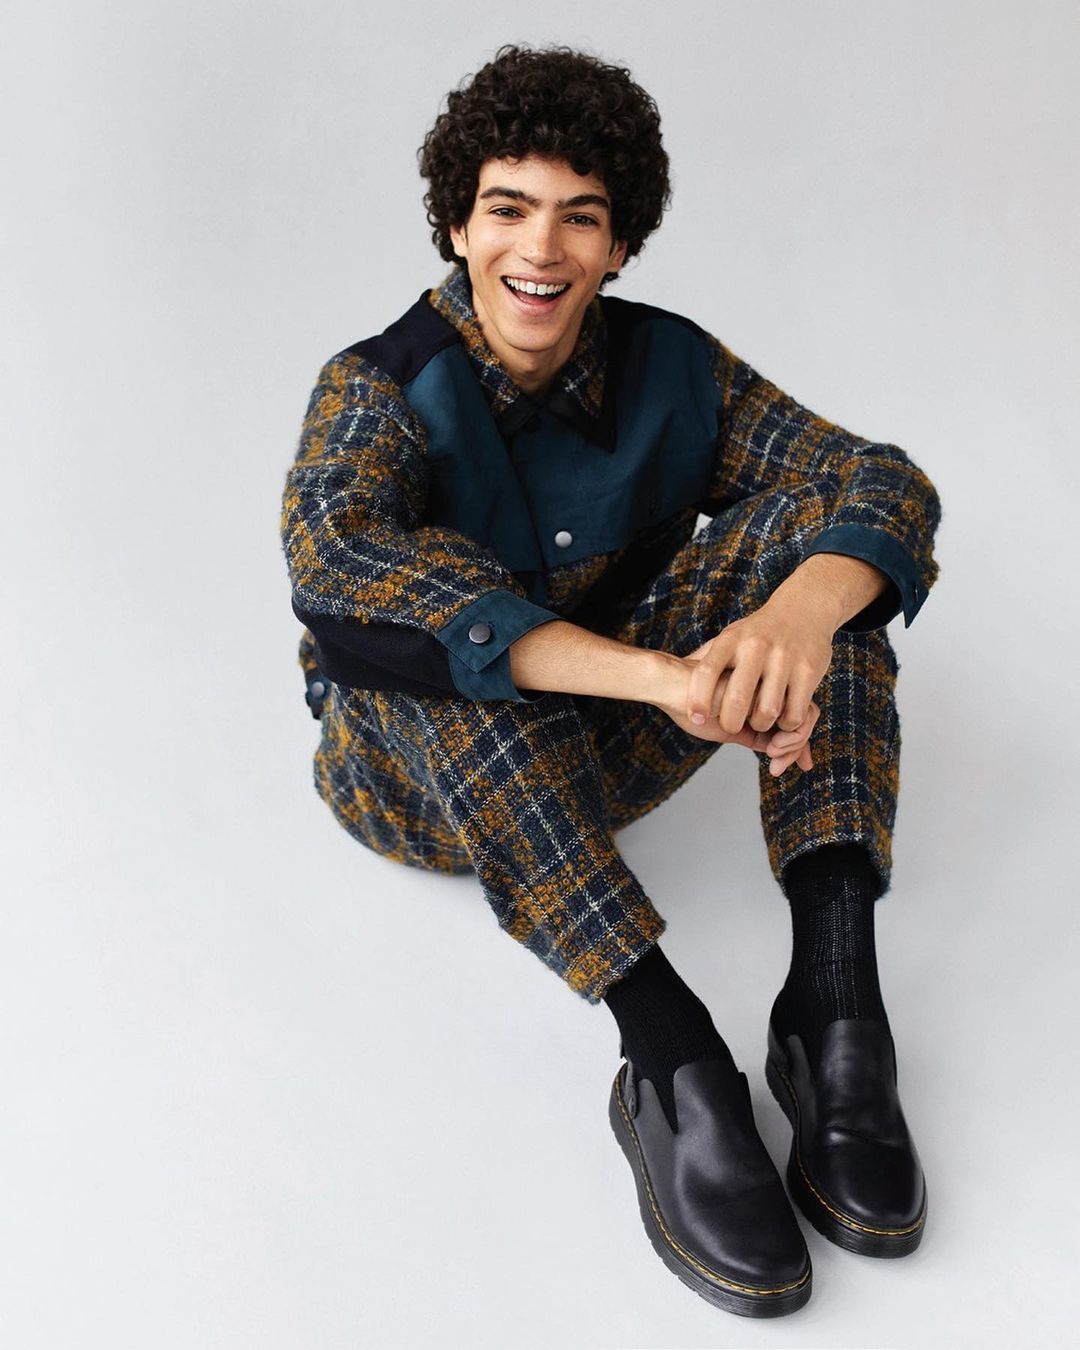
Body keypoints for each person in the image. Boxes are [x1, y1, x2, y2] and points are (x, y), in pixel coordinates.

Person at [279, 43, 943, 1320]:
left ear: (620, 244)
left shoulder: (671, 366)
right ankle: (670, 1056)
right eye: (508, 208)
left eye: (580, 217)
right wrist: (664, 677)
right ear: (459, 225)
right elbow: (342, 567)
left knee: (832, 574)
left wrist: (794, 620)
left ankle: (835, 1004)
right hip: (421, 790)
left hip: (610, 751)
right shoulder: (375, 391)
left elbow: (881, 481)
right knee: (441, 655)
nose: (541, 248)